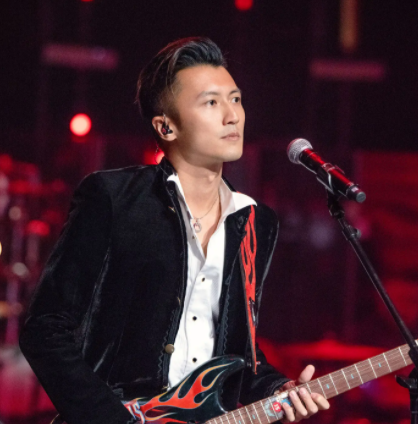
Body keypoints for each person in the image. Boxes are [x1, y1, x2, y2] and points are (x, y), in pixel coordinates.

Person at [19, 37, 329, 424]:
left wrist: (275, 388)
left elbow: (237, 356)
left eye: (235, 99)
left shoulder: (256, 222)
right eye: (211, 103)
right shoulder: (113, 198)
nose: (232, 115)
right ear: (166, 126)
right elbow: (45, 330)